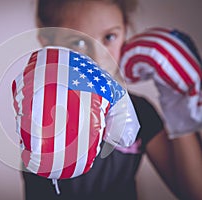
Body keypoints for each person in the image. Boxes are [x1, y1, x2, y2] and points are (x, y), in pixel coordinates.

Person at [21, 0, 202, 199]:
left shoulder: (139, 111)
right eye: (78, 42)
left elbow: (193, 193)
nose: (98, 57)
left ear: (125, 31)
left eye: (109, 37)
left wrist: (179, 106)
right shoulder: (40, 107)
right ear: (49, 42)